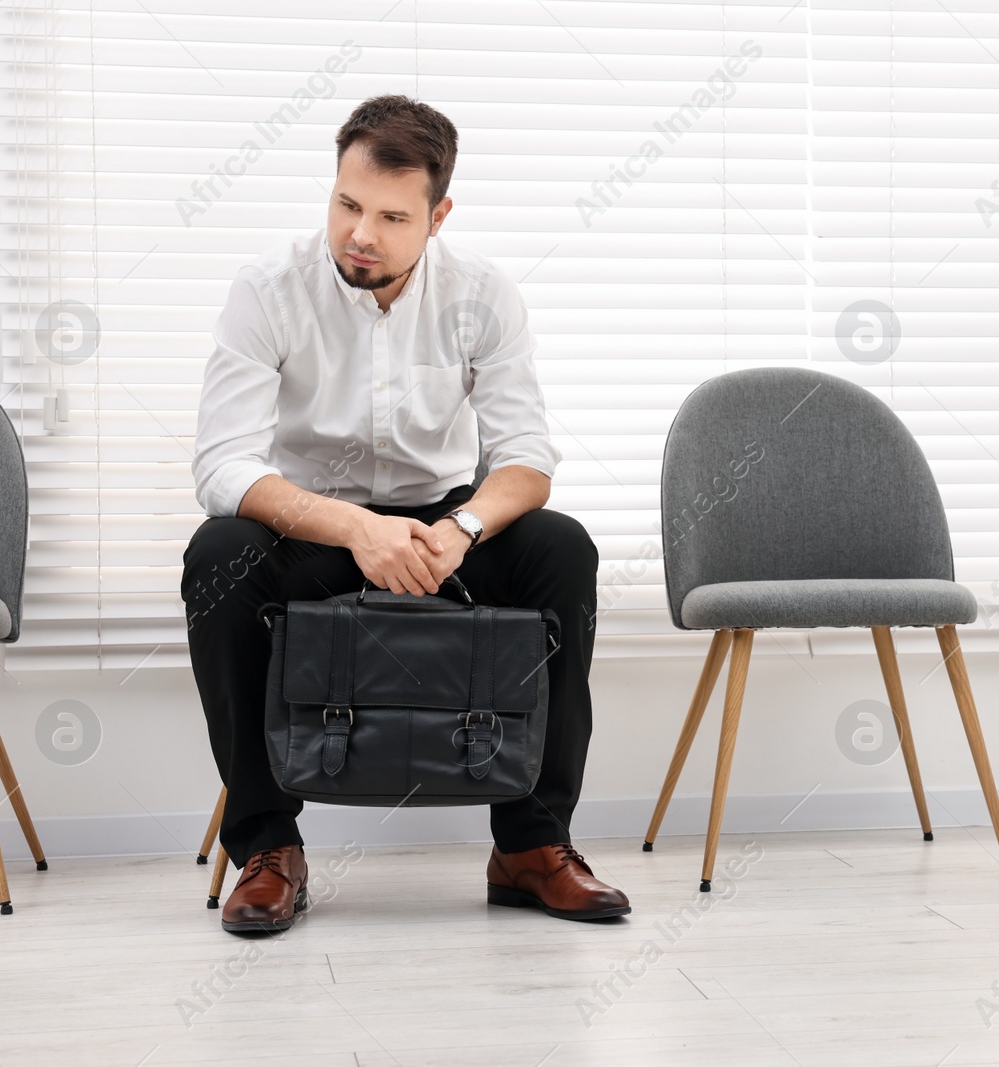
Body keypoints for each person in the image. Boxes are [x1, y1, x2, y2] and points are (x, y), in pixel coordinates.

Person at [182, 94, 629, 934]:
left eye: (391, 216)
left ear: (438, 215)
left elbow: (527, 457)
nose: (361, 232)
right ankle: (268, 847)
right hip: (317, 528)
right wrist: (356, 529)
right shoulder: (268, 290)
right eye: (347, 204)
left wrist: (461, 530)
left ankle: (531, 846)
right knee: (220, 552)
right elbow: (222, 464)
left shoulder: (485, 294)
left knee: (562, 548)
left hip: (442, 530)